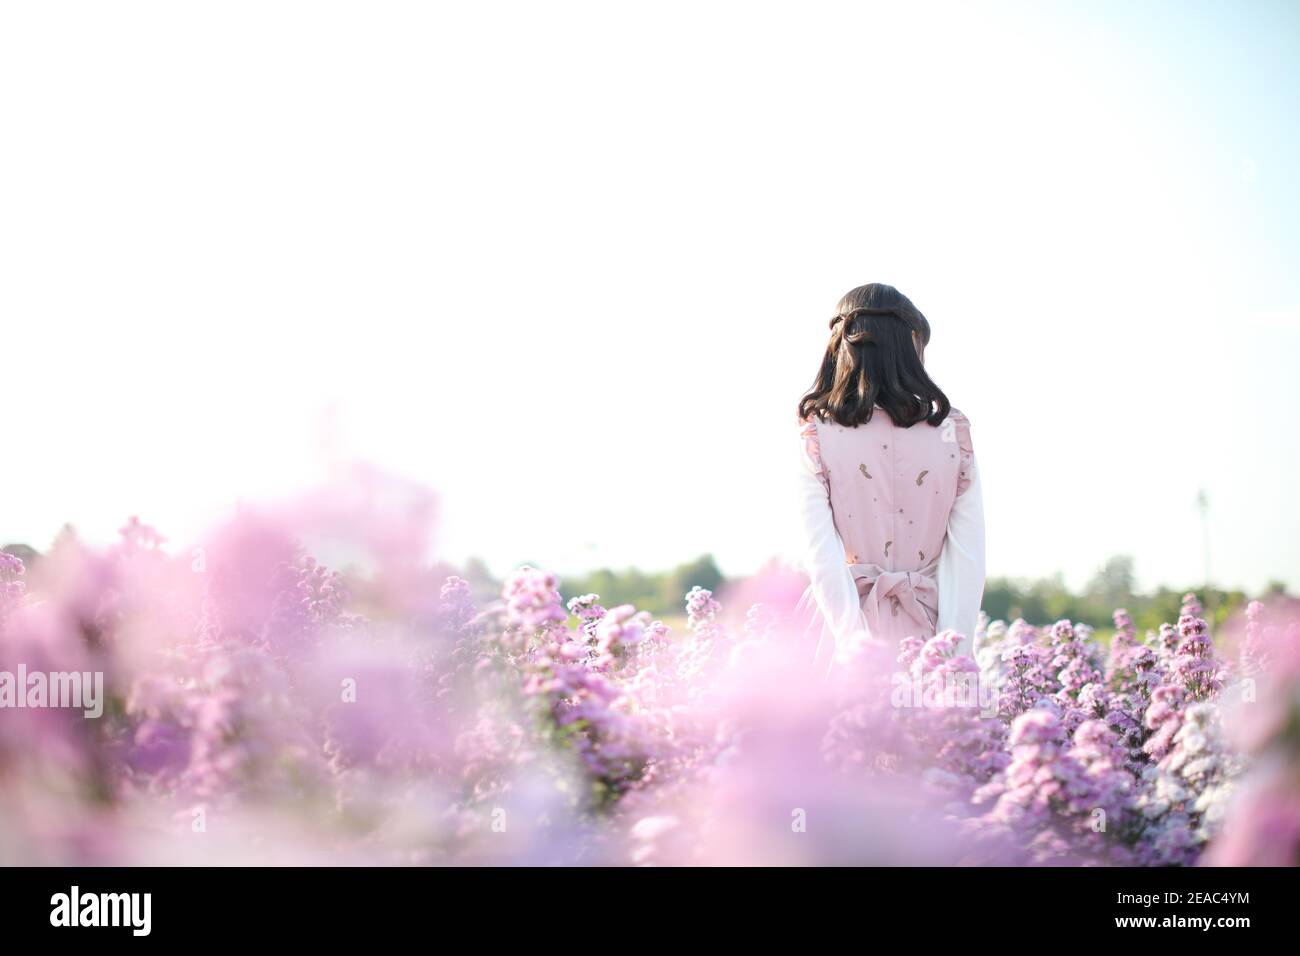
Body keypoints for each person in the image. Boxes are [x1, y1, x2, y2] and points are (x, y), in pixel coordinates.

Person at [795, 282, 985, 675]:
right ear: (912, 347)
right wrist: (955, 654)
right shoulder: (953, 433)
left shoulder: (818, 434)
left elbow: (822, 556)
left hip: (838, 626)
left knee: (834, 732)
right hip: (929, 628)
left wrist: (851, 644)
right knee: (939, 732)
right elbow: (968, 557)